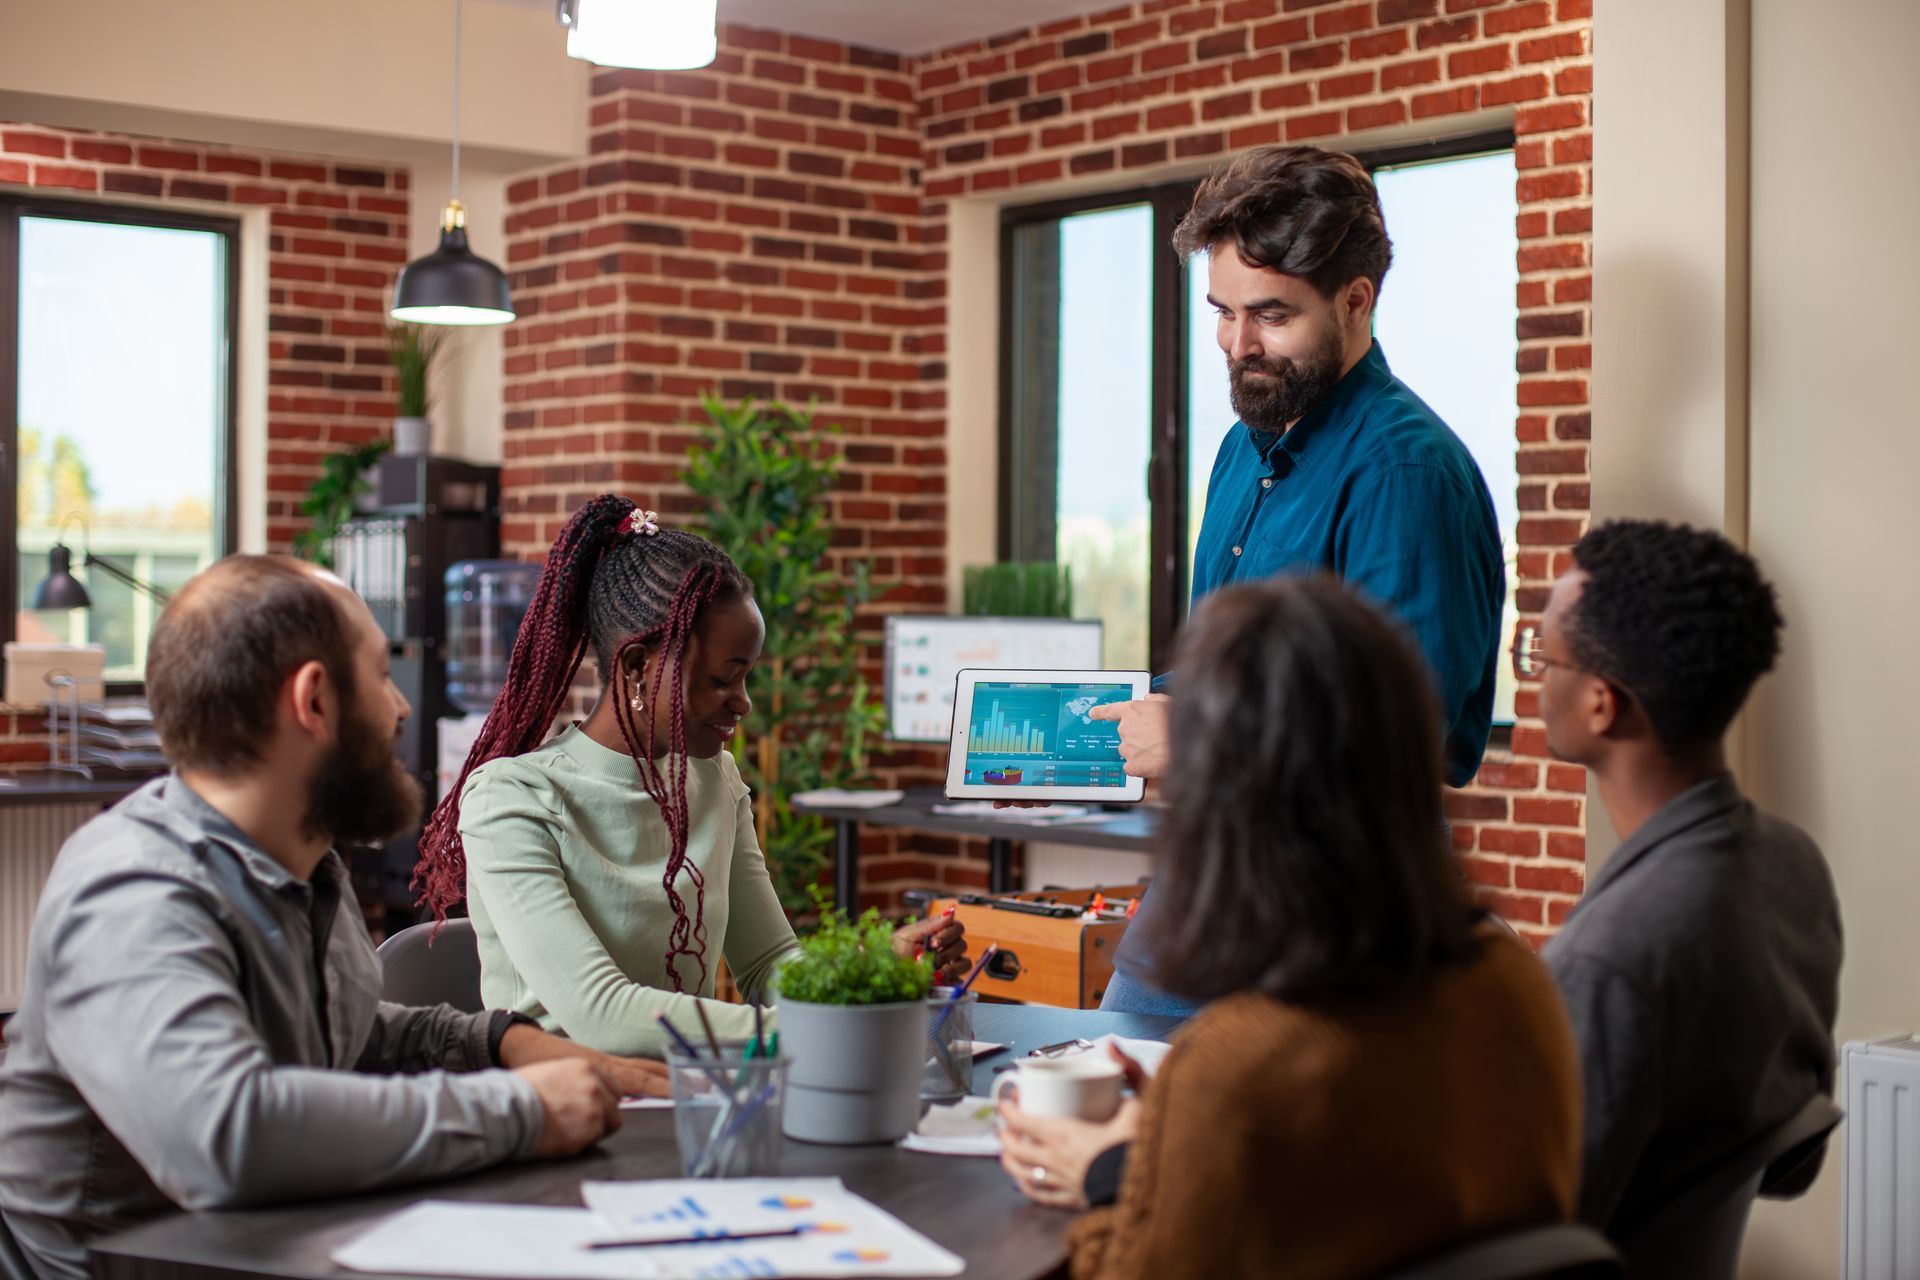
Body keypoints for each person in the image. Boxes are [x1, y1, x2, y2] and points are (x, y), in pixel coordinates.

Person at [0, 556, 670, 1280]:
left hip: (276, 1247)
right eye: (381, 675)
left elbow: (339, 1031)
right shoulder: (133, 891)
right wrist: (520, 1111)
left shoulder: (306, 860)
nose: (400, 708)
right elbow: (228, 1134)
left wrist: (500, 1044)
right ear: (314, 701)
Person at [997, 578, 1578, 1278]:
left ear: (1221, 786)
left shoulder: (1243, 1068)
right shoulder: (1514, 981)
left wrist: (1110, 1170)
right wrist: (1188, 1135)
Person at [1094, 143, 1505, 1015]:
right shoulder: (1241, 454)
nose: (1238, 345)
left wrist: (1200, 735)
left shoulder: (1408, 474)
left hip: (1332, 903)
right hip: (1208, 880)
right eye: (1222, 311)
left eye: (1271, 315)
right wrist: (1115, 719)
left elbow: (1407, 736)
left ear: (1355, 301)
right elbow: (1227, 671)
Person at [415, 496, 966, 1057]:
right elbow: (600, 1014)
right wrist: (825, 1030)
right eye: (723, 679)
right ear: (636, 668)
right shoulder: (514, 798)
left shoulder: (715, 781)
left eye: (747, 677)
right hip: (562, 1113)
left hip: (695, 1098)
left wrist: (874, 969)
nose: (743, 703)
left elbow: (770, 966)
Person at [1530, 520, 1842, 1236]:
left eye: (1540, 658)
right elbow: (1791, 1166)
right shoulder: (1792, 865)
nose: (1535, 676)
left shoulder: (1610, 957)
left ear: (1600, 704)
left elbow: (1542, 1232)